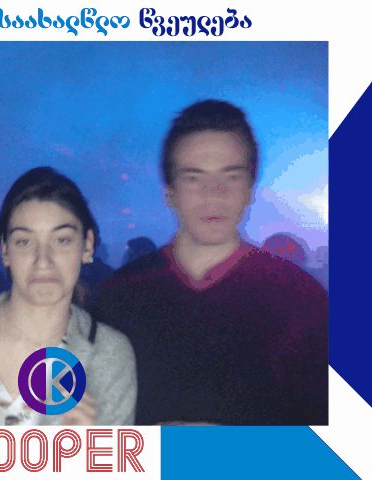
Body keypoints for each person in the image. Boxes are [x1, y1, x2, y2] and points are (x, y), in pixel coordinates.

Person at [91, 100, 328, 425]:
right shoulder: (119, 297)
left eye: (231, 177)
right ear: (170, 192)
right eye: (193, 178)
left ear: (250, 189)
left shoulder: (301, 300)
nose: (213, 194)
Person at [0, 167, 136, 426]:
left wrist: (86, 446)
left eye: (62, 240)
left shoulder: (108, 354)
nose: (43, 261)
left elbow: (120, 451)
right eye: (24, 241)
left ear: (87, 245)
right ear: (5, 250)